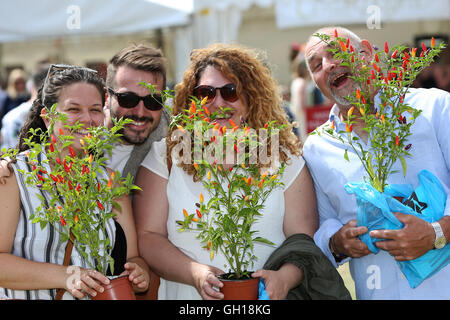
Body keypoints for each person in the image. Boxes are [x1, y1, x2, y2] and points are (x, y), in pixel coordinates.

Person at [133, 43, 350, 300]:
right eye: (206, 93)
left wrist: (284, 278)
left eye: (231, 91)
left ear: (250, 98)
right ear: (193, 99)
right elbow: (148, 236)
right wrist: (195, 273)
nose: (218, 102)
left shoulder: (283, 158)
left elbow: (303, 242)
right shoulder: (167, 155)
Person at [302, 26, 450, 299]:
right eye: (316, 65)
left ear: (367, 53)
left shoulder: (434, 108)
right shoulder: (316, 148)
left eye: (336, 52)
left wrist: (436, 233)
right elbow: (323, 224)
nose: (329, 65)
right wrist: (337, 242)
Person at [0, 65, 150, 300]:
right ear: (48, 118)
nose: (87, 119)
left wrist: (139, 273)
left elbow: (132, 257)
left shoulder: (110, 182)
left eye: (95, 110)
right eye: (73, 109)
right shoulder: (13, 176)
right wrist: (65, 275)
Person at [104, 44, 170, 179]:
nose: (140, 113)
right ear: (107, 98)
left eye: (153, 101)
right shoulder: (82, 134)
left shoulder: (172, 136)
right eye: (128, 99)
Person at [1, 66, 49, 150]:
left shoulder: (11, 116)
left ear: (30, 85)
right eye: (17, 82)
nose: (20, 85)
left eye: (22, 82)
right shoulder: (8, 102)